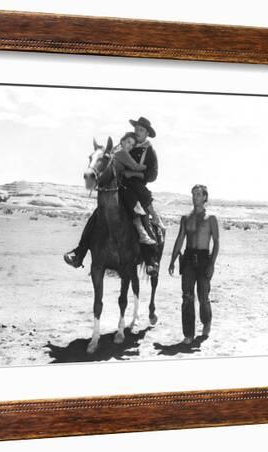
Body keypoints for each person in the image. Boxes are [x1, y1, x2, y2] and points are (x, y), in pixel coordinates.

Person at [64, 116, 162, 268]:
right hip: (116, 187)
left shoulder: (149, 152)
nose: (137, 132)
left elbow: (152, 175)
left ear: (147, 134)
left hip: (135, 188)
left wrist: (134, 174)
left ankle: (150, 260)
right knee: (96, 217)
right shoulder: (126, 144)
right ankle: (80, 253)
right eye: (136, 128)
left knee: (141, 216)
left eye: (141, 130)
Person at [168, 184, 220, 344]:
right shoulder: (186, 218)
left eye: (198, 194)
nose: (195, 197)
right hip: (189, 258)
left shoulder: (211, 218)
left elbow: (216, 242)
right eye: (193, 194)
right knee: (187, 297)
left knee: (203, 297)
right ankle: (188, 334)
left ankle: (206, 322)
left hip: (204, 259)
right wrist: (172, 259)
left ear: (205, 197)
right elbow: (180, 239)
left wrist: (212, 264)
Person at [111, 132, 156, 245]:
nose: (130, 146)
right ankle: (142, 230)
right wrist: (147, 167)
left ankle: (80, 251)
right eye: (128, 142)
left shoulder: (114, 149)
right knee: (131, 198)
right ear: (122, 141)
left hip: (111, 185)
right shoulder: (122, 152)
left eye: (132, 145)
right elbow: (135, 166)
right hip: (117, 184)